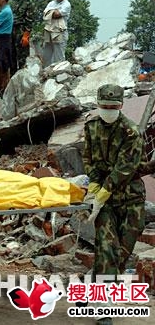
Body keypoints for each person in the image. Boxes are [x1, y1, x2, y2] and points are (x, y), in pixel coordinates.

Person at [83, 84, 148, 325]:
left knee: (123, 253)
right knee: (106, 249)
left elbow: (126, 168)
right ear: (98, 104)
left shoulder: (131, 132)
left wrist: (103, 193)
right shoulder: (91, 127)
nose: (108, 110)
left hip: (130, 198)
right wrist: (93, 187)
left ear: (121, 106)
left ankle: (91, 281)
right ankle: (103, 307)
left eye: (113, 107)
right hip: (106, 202)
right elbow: (88, 158)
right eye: (104, 107)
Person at [42, 0, 71, 67]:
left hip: (60, 32)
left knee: (59, 56)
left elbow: (57, 14)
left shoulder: (66, 4)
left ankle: (59, 75)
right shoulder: (51, 3)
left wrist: (50, 12)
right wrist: (53, 12)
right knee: (46, 56)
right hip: (49, 31)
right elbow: (45, 14)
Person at [11, 0, 34, 75]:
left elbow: (30, 20)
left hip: (22, 32)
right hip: (12, 31)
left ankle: (22, 80)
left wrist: (26, 35)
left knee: (22, 58)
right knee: (12, 56)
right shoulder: (15, 2)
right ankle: (12, 80)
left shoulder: (29, 3)